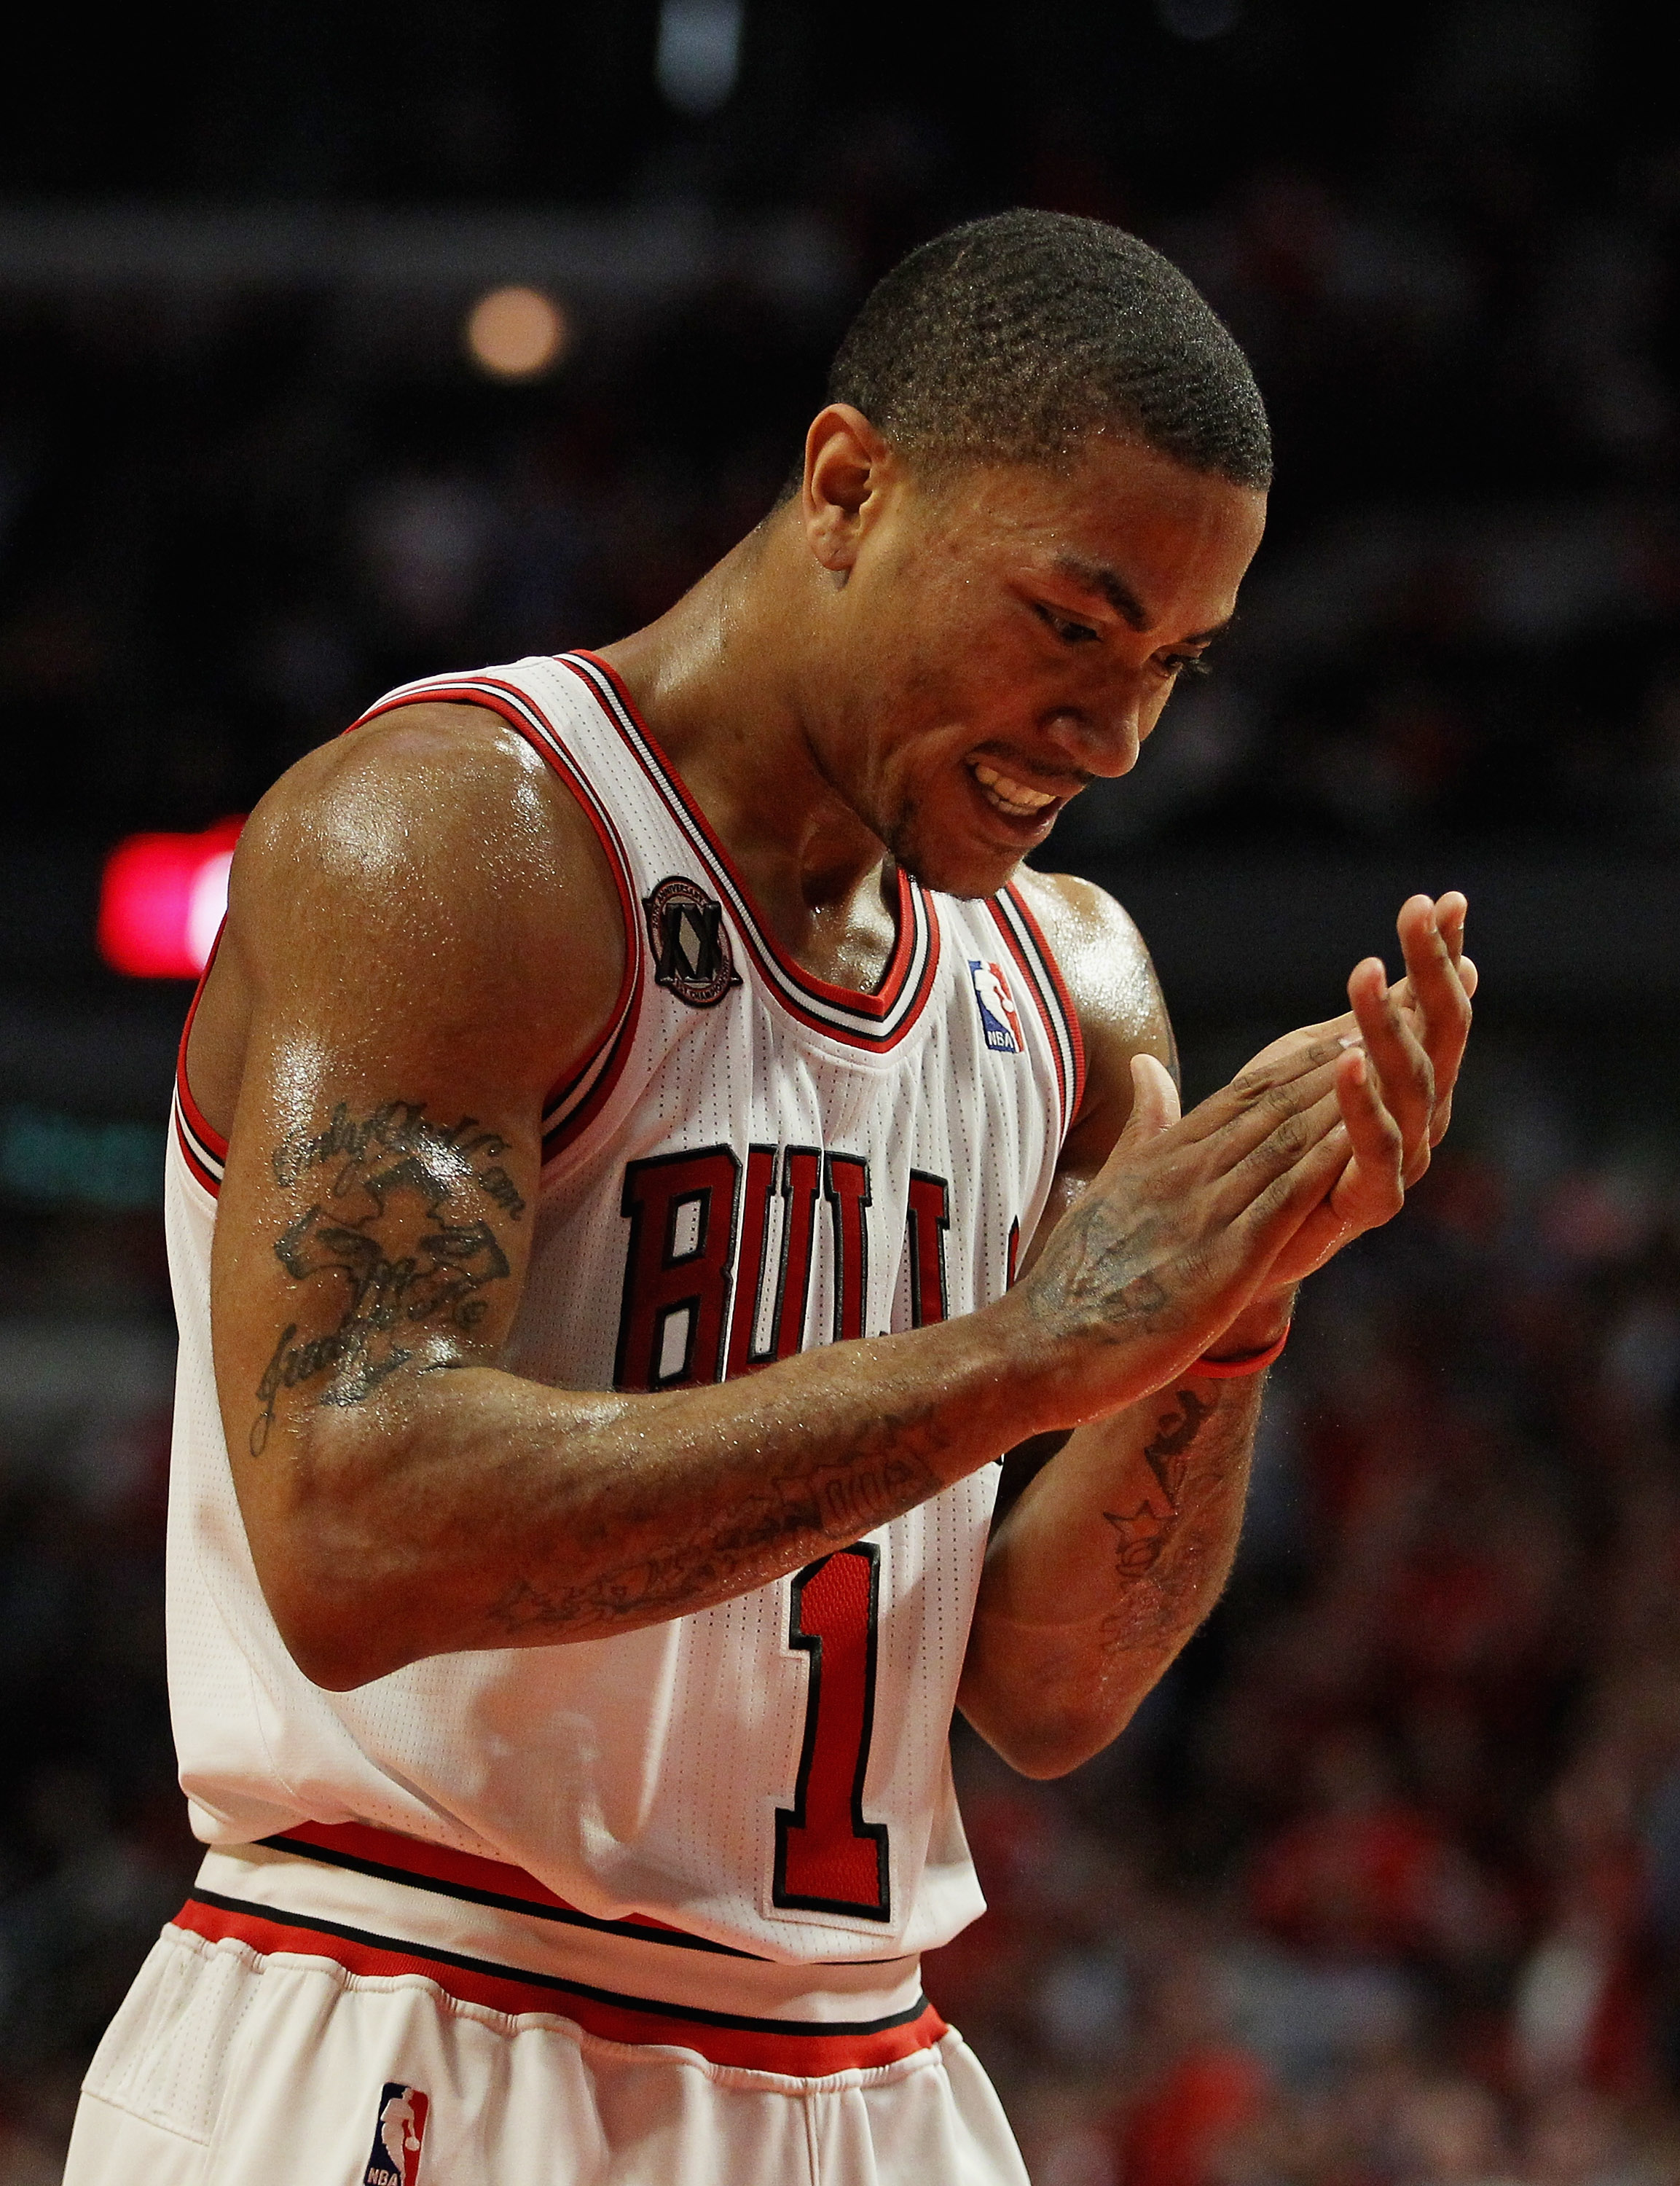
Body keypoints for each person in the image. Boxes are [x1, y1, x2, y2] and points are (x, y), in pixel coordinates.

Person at [65, 211, 1474, 2185]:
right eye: (1070, 624)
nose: (1117, 734)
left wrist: (1228, 1312)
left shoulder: (1068, 985)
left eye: (1172, 661)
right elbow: (352, 1527)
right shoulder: (462, 838)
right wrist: (1031, 1354)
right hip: (410, 2005)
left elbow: (1052, 1697)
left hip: (859, 2069)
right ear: (847, 484)